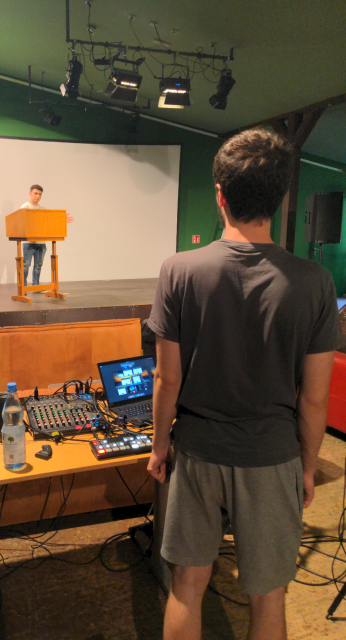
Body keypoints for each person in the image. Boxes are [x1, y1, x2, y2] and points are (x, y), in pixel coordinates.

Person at [147, 129, 343, 640]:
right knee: (268, 596)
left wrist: (159, 447)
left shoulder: (178, 270)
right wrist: (306, 465)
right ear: (279, 200)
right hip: (273, 454)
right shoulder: (315, 282)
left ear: (220, 195)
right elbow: (316, 397)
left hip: (197, 451)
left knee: (187, 585)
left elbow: (169, 380)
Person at [20, 184, 73, 287]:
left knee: (38, 265)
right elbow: (21, 222)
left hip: (41, 242)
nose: (38, 196)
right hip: (29, 243)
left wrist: (62, 220)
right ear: (30, 194)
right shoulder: (24, 207)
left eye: (40, 194)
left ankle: (36, 286)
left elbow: (48, 222)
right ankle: (24, 287)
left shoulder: (42, 208)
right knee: (26, 265)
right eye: (35, 193)